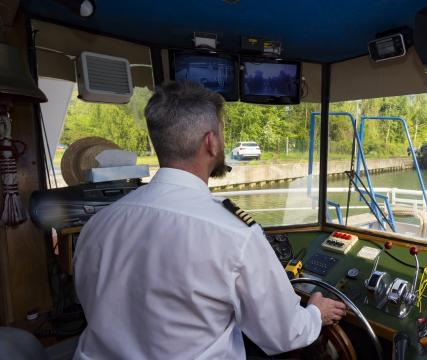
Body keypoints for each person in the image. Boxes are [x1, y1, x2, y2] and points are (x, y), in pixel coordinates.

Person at [73, 81, 346, 359]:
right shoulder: (234, 234)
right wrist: (315, 313)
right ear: (211, 142)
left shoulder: (98, 223)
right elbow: (285, 334)